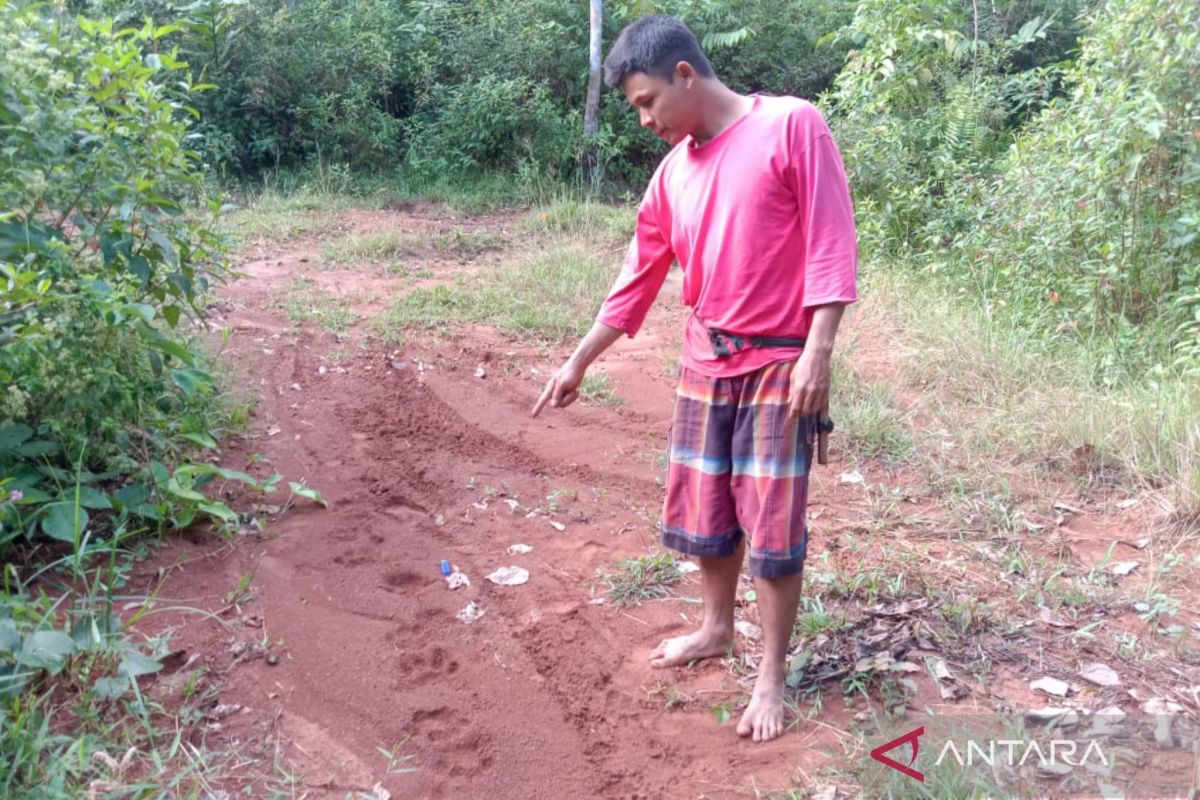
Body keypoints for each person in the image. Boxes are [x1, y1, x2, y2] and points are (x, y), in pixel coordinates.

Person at [531, 14, 858, 743]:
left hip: (779, 362)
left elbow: (833, 239)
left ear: (685, 74)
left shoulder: (791, 127)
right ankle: (716, 629)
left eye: (647, 102)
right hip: (704, 362)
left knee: (772, 526)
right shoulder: (673, 173)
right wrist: (579, 361)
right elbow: (636, 279)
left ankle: (772, 672)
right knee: (709, 514)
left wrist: (820, 352)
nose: (644, 120)